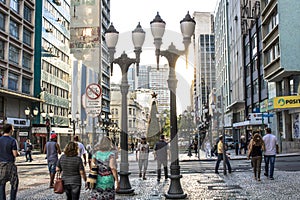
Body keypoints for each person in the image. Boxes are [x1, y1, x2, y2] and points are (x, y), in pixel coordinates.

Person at [0, 124, 19, 200]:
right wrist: (18, 153)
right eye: (13, 128)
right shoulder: (13, 140)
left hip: (1, 165)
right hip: (10, 164)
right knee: (14, 183)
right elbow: (15, 154)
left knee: (1, 184)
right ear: (11, 130)